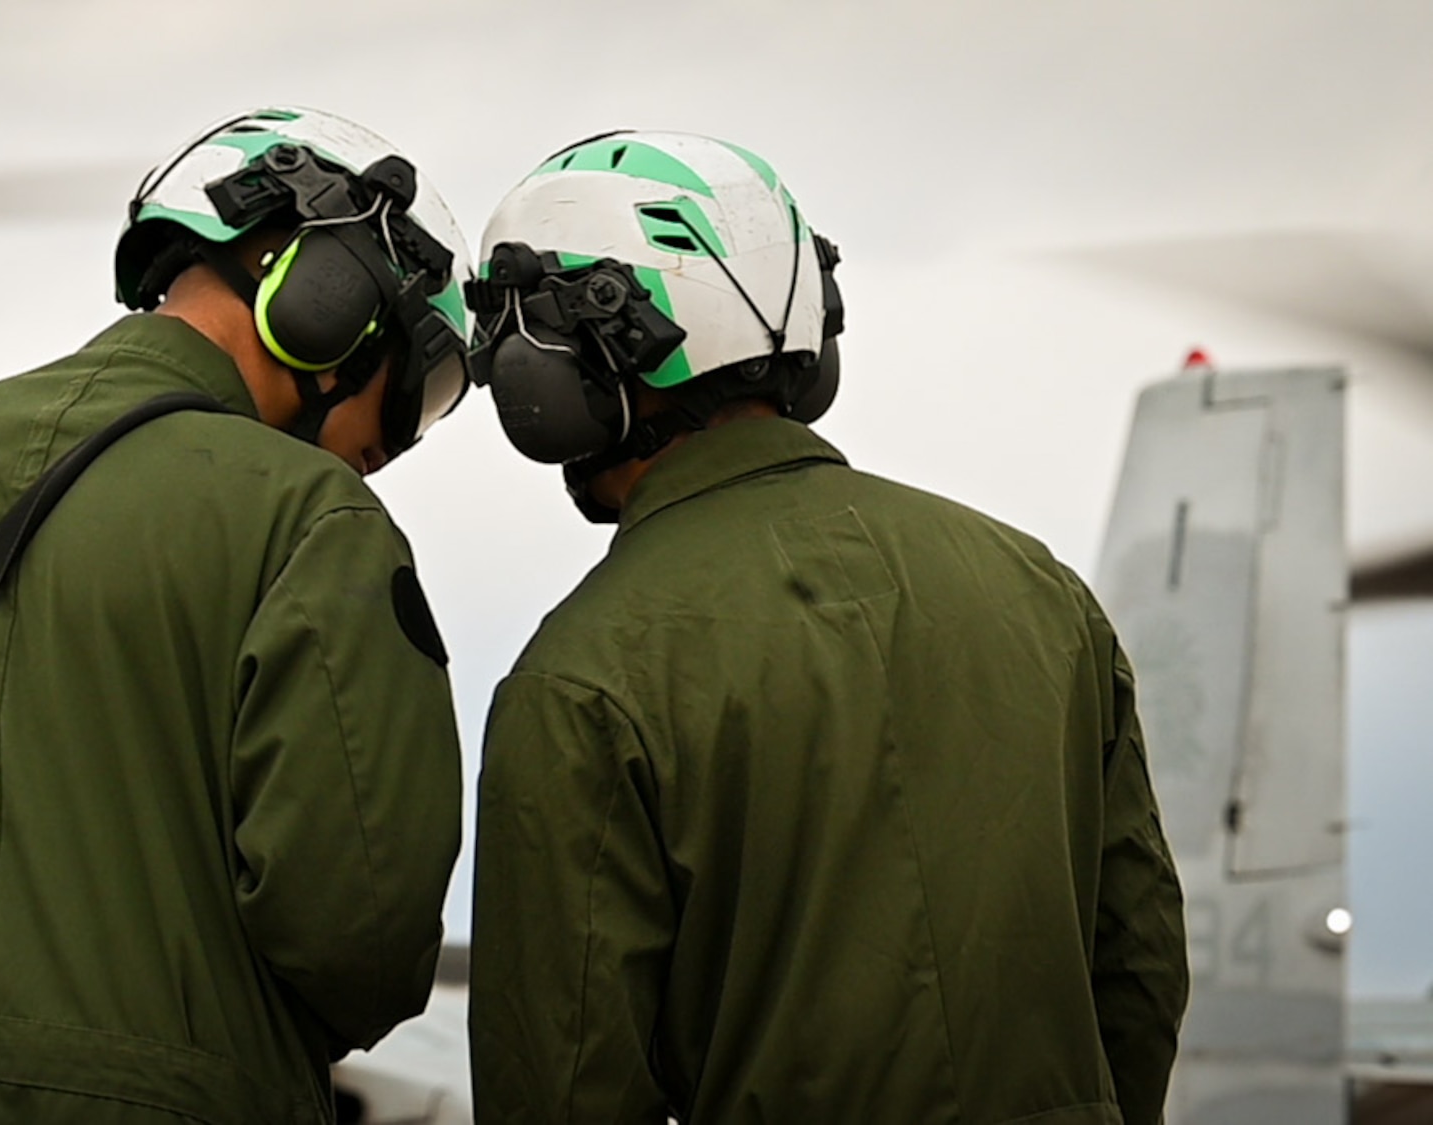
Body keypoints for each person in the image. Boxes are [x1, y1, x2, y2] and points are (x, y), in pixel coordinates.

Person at [0, 106, 470, 1123]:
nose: (395, 440)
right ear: (326, 303)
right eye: (419, 385)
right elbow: (361, 934)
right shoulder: (311, 521)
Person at [462, 131, 1189, 1124]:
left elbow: (561, 1077)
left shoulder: (582, 676)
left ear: (567, 366)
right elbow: (1138, 964)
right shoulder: (1036, 589)